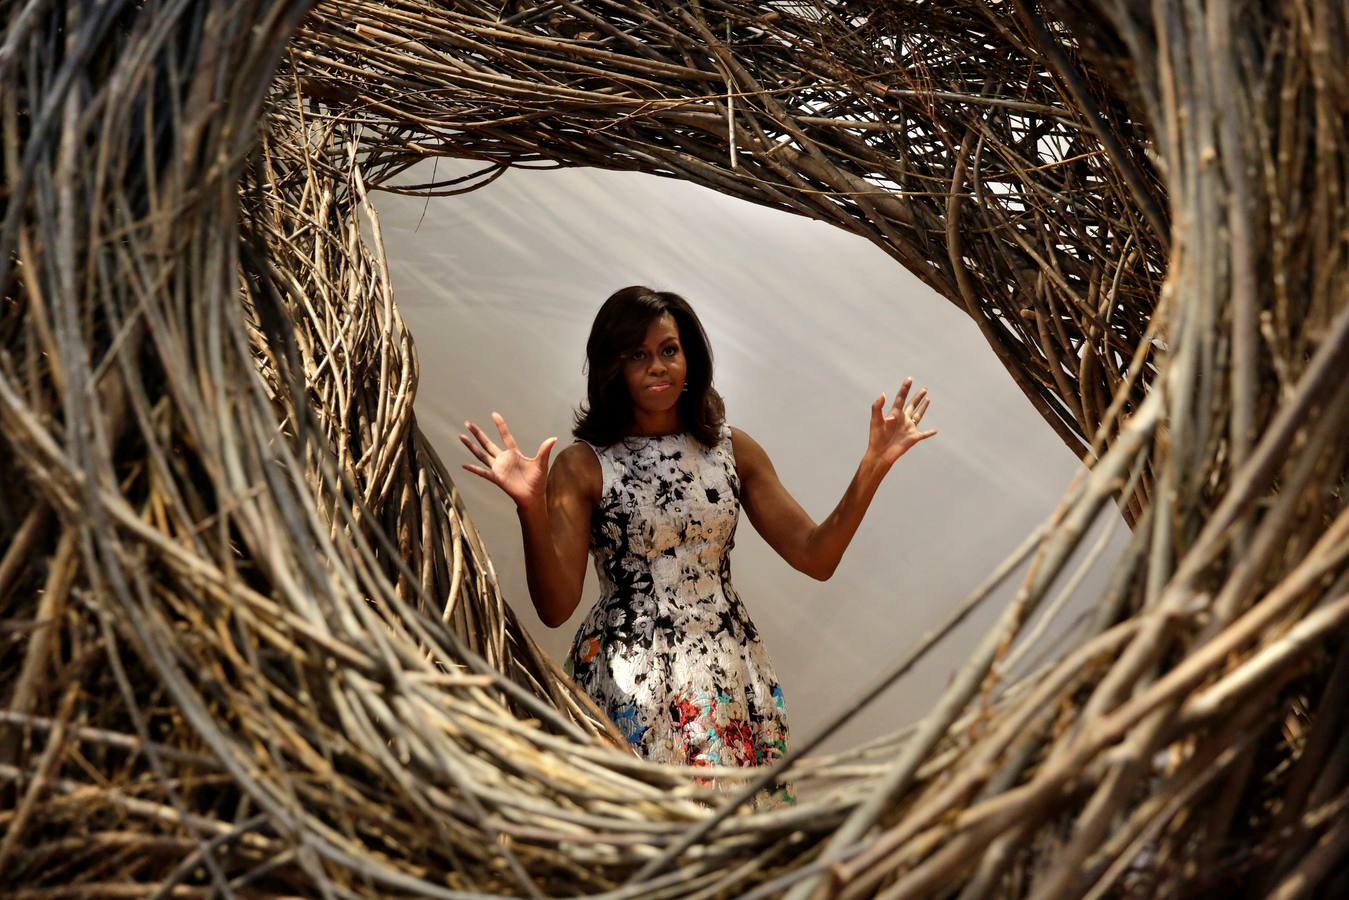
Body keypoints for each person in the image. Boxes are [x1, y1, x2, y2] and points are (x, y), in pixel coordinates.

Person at [459, 286, 936, 807]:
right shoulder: (583, 464)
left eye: (669, 350)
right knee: (648, 836)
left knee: (727, 840)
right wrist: (530, 506)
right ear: (610, 367)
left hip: (727, 668)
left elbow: (815, 556)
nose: (657, 366)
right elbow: (555, 608)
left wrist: (872, 468)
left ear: (691, 358)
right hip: (629, 676)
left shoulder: (733, 448)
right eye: (637, 355)